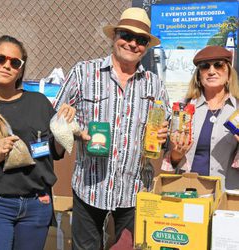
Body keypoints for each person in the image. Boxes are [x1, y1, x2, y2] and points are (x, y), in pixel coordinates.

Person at [53, 7, 171, 250]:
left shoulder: (154, 85)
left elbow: (165, 135)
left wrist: (163, 136)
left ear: (146, 46)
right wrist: (76, 130)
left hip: (134, 190)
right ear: (114, 36)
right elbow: (57, 119)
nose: (132, 43)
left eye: (140, 40)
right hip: (90, 187)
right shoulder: (84, 72)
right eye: (126, 35)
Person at [0, 35, 75, 250]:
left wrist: (65, 127)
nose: (7, 65)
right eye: (0, 59)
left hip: (37, 205)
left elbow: (54, 151)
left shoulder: (38, 102)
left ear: (20, 69)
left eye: (14, 62)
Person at [162, 45, 239, 190]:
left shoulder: (237, 110)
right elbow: (172, 160)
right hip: (189, 192)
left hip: (227, 193)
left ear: (229, 73)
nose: (211, 71)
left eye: (218, 65)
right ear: (198, 75)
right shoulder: (183, 110)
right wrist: (177, 155)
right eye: (205, 66)